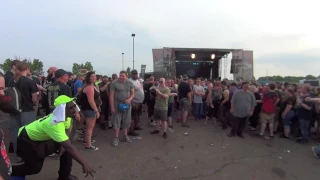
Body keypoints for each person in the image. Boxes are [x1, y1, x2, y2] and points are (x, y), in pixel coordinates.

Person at [10, 95, 97, 180]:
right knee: (34, 168)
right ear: (62, 110)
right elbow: (69, 146)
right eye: (71, 108)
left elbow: (67, 131)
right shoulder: (55, 124)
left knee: (67, 149)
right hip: (26, 139)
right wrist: (84, 164)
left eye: (74, 106)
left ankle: (64, 176)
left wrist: (63, 145)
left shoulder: (66, 117)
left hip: (41, 138)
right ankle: (8, 171)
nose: (74, 110)